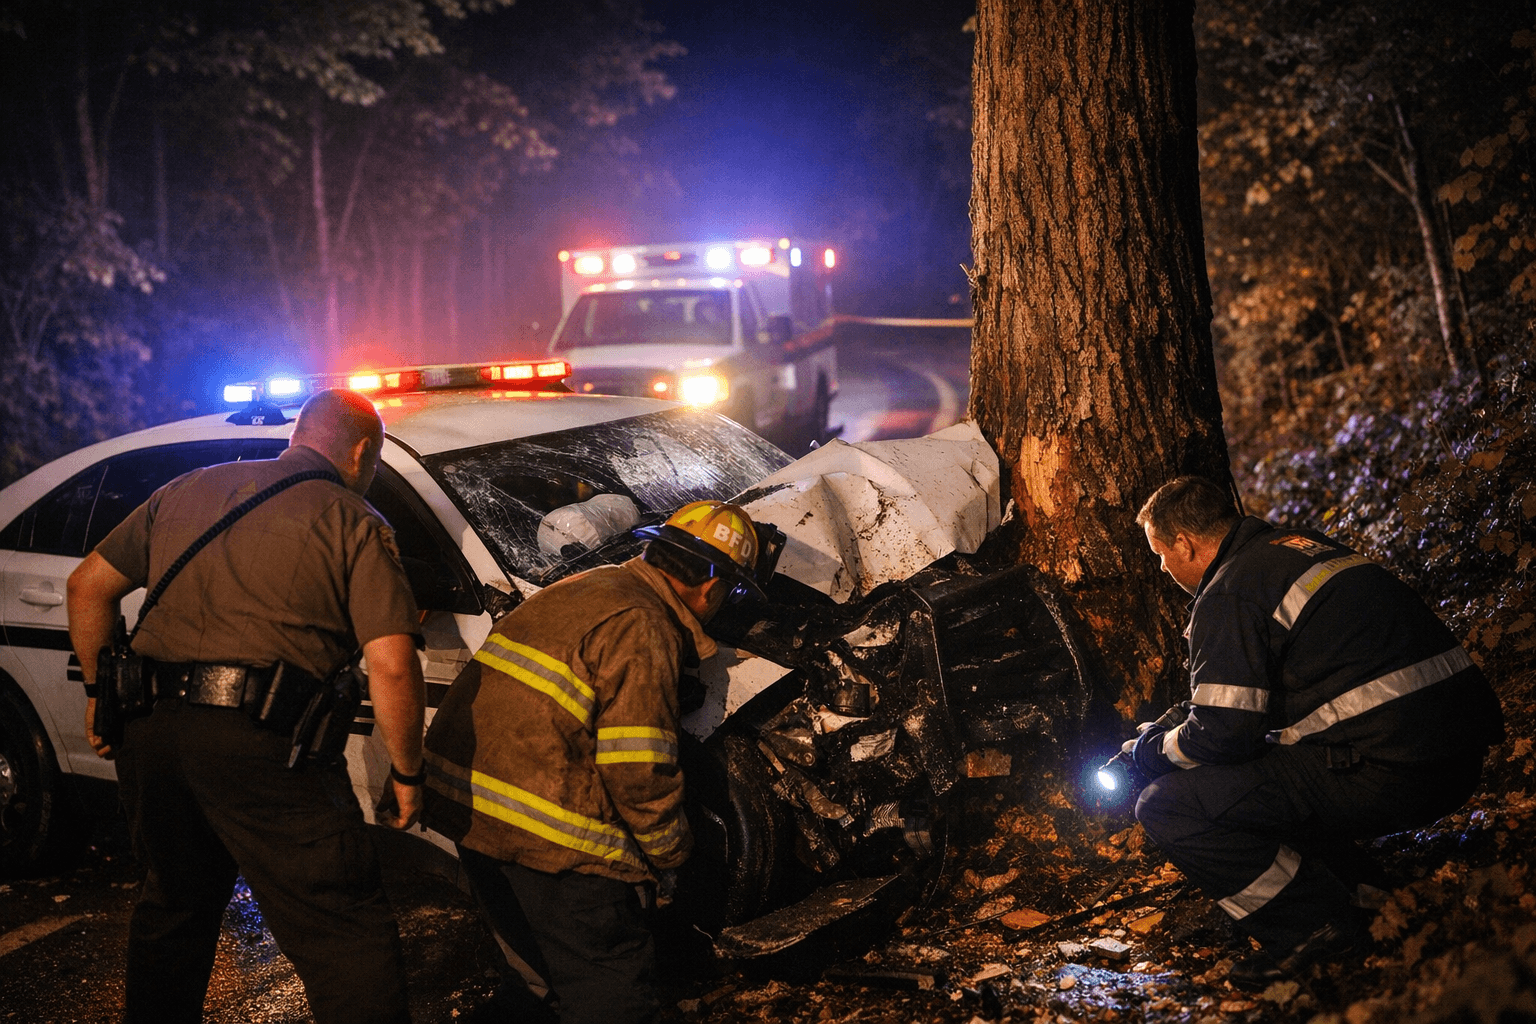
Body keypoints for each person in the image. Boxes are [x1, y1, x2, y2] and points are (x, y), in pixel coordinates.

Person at [66, 389, 427, 1024]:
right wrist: (407, 772)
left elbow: (86, 585)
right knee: (343, 931)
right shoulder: (353, 518)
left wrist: (99, 696)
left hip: (151, 735)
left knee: (173, 912)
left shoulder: (188, 488)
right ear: (362, 450)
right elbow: (393, 663)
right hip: (260, 744)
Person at [1128, 475, 1504, 989]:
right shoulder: (1300, 548)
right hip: (1458, 749)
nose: (1164, 569)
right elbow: (1265, 691)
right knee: (1272, 766)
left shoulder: (1228, 592)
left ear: (1185, 544)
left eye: (1160, 556)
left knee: (1168, 804)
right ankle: (1361, 890)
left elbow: (1224, 735)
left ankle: (1312, 928)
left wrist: (1151, 755)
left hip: (1396, 771)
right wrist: (1173, 723)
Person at [421, 499, 765, 1024]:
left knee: (538, 977)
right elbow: (638, 768)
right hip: (545, 831)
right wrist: (673, 856)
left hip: (470, 807)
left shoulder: (591, 584)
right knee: (612, 987)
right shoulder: (644, 626)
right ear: (714, 589)